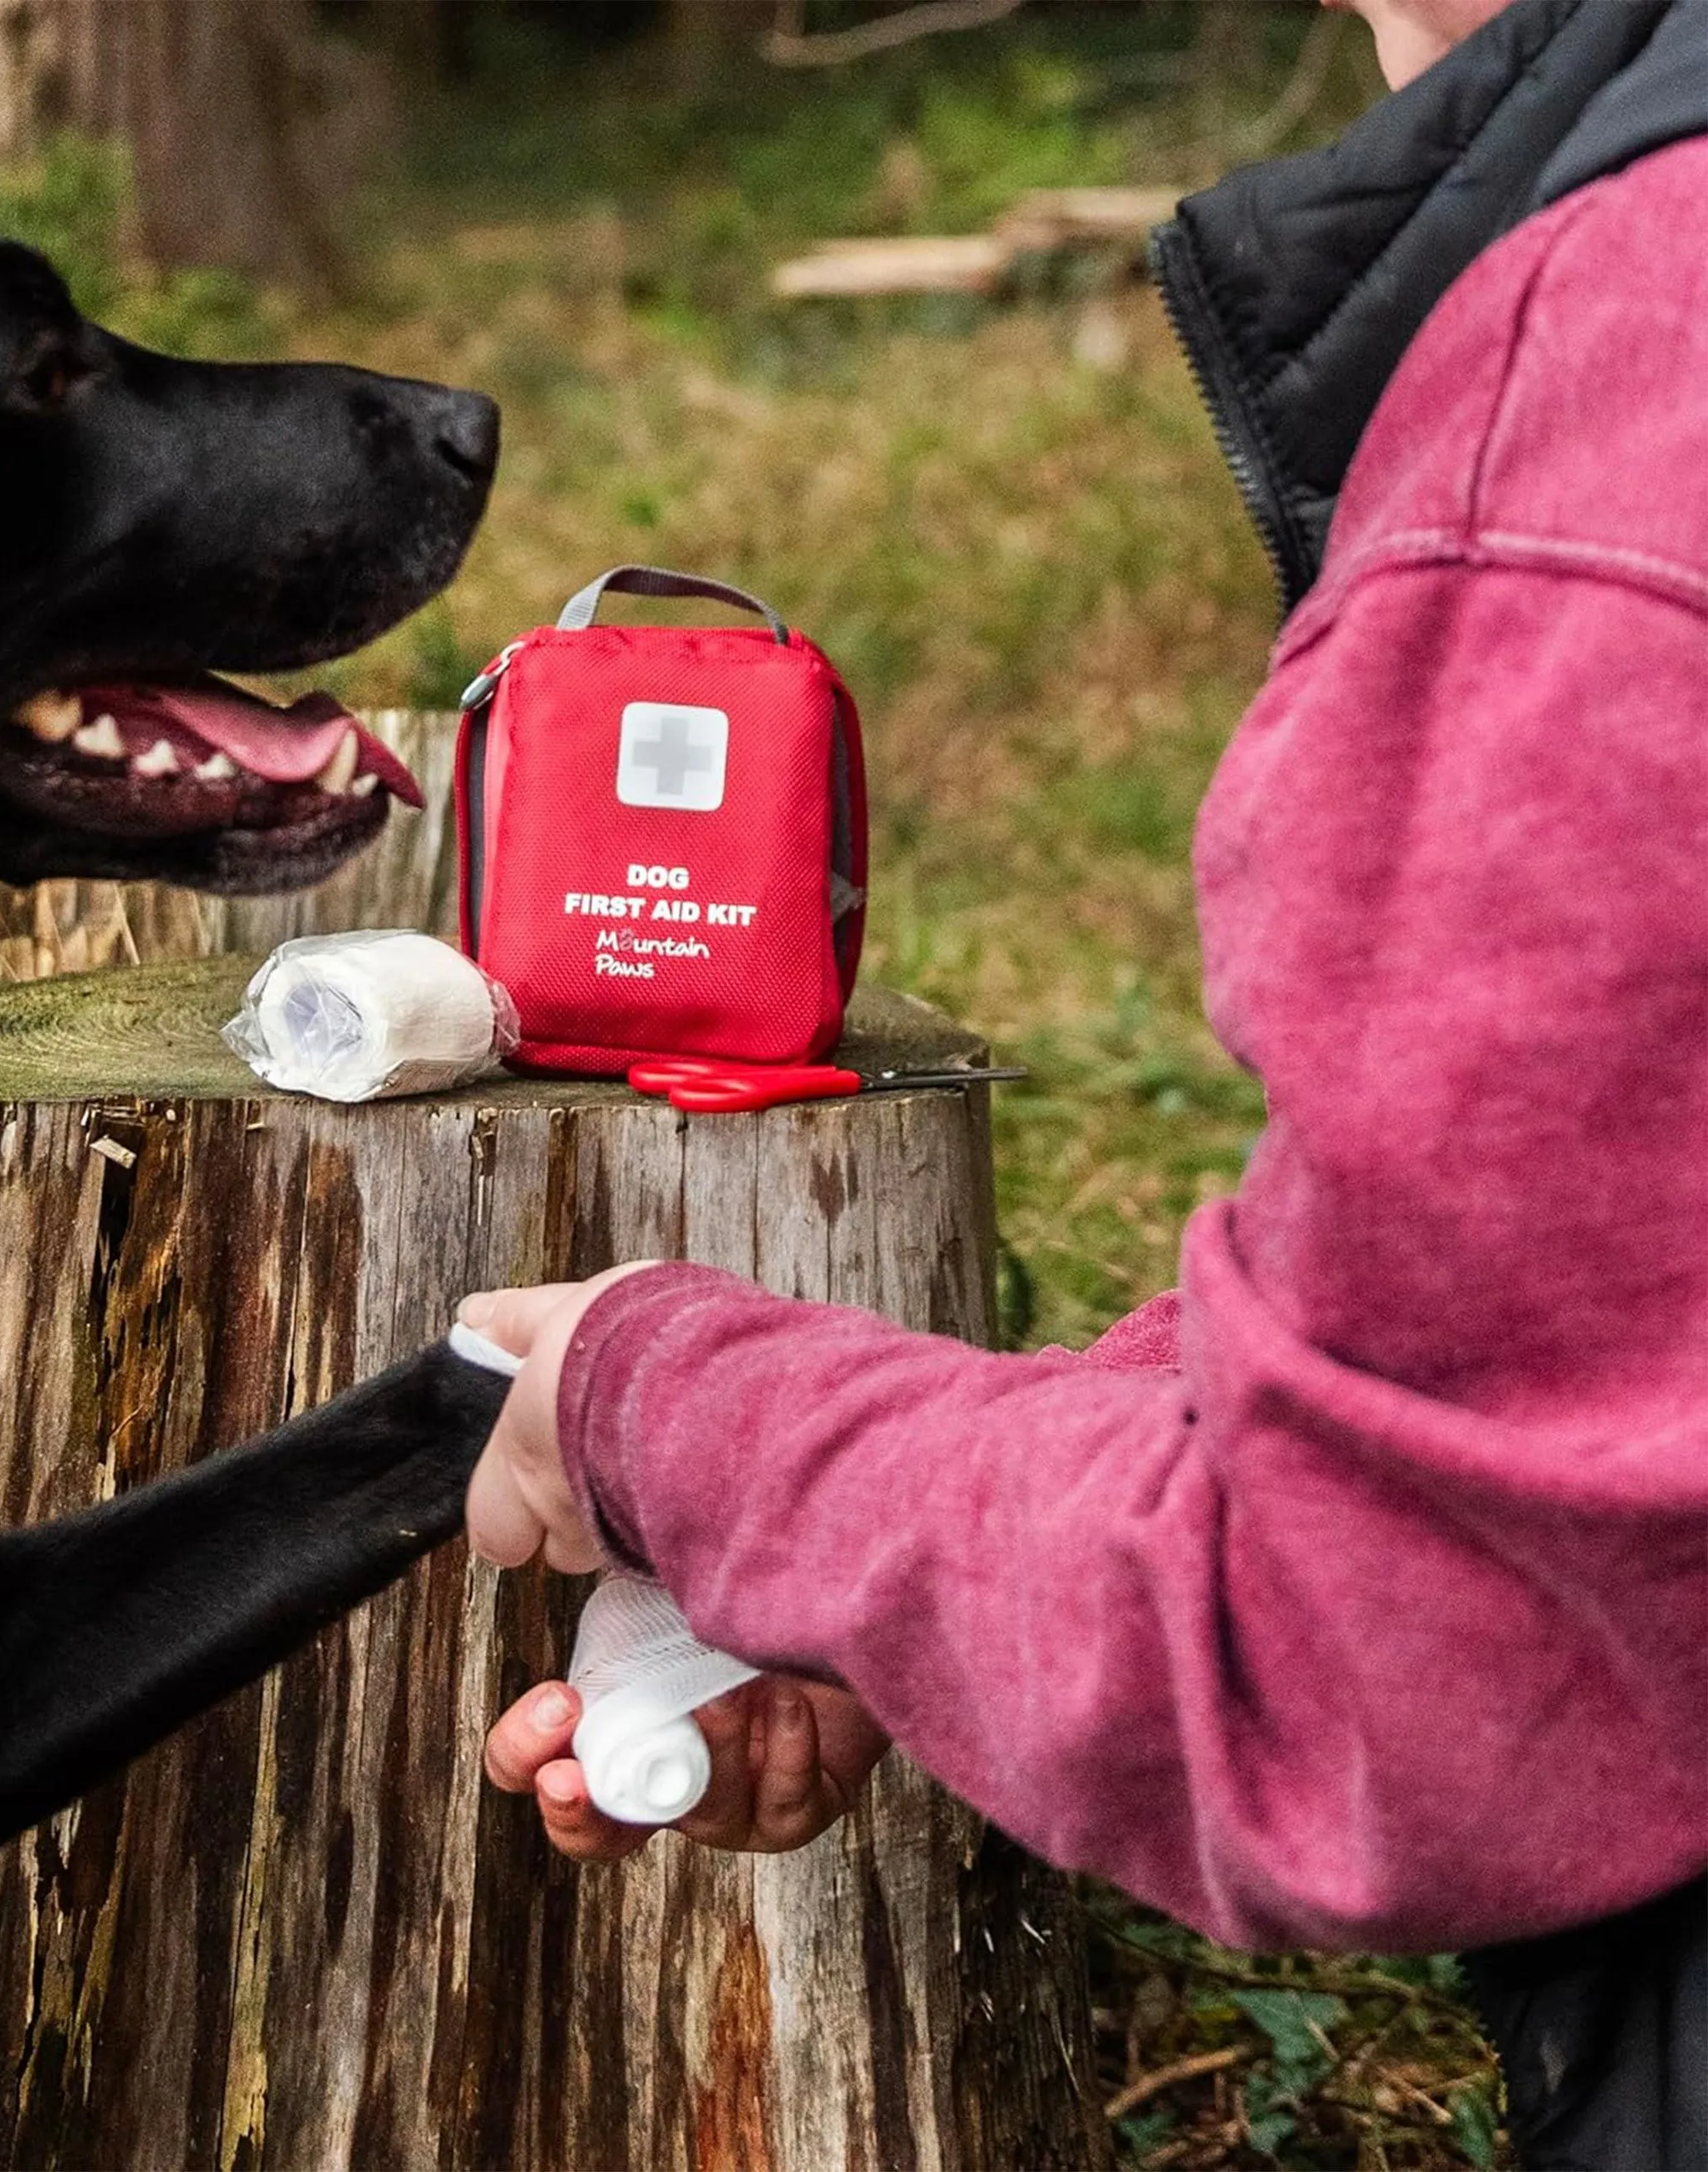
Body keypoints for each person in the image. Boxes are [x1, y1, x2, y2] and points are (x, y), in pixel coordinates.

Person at [458, 2, 1708, 2164]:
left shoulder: (1596, 404)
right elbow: (1604, 1298)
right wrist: (920, 1550)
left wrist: (676, 1411)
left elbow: (1371, 1671)